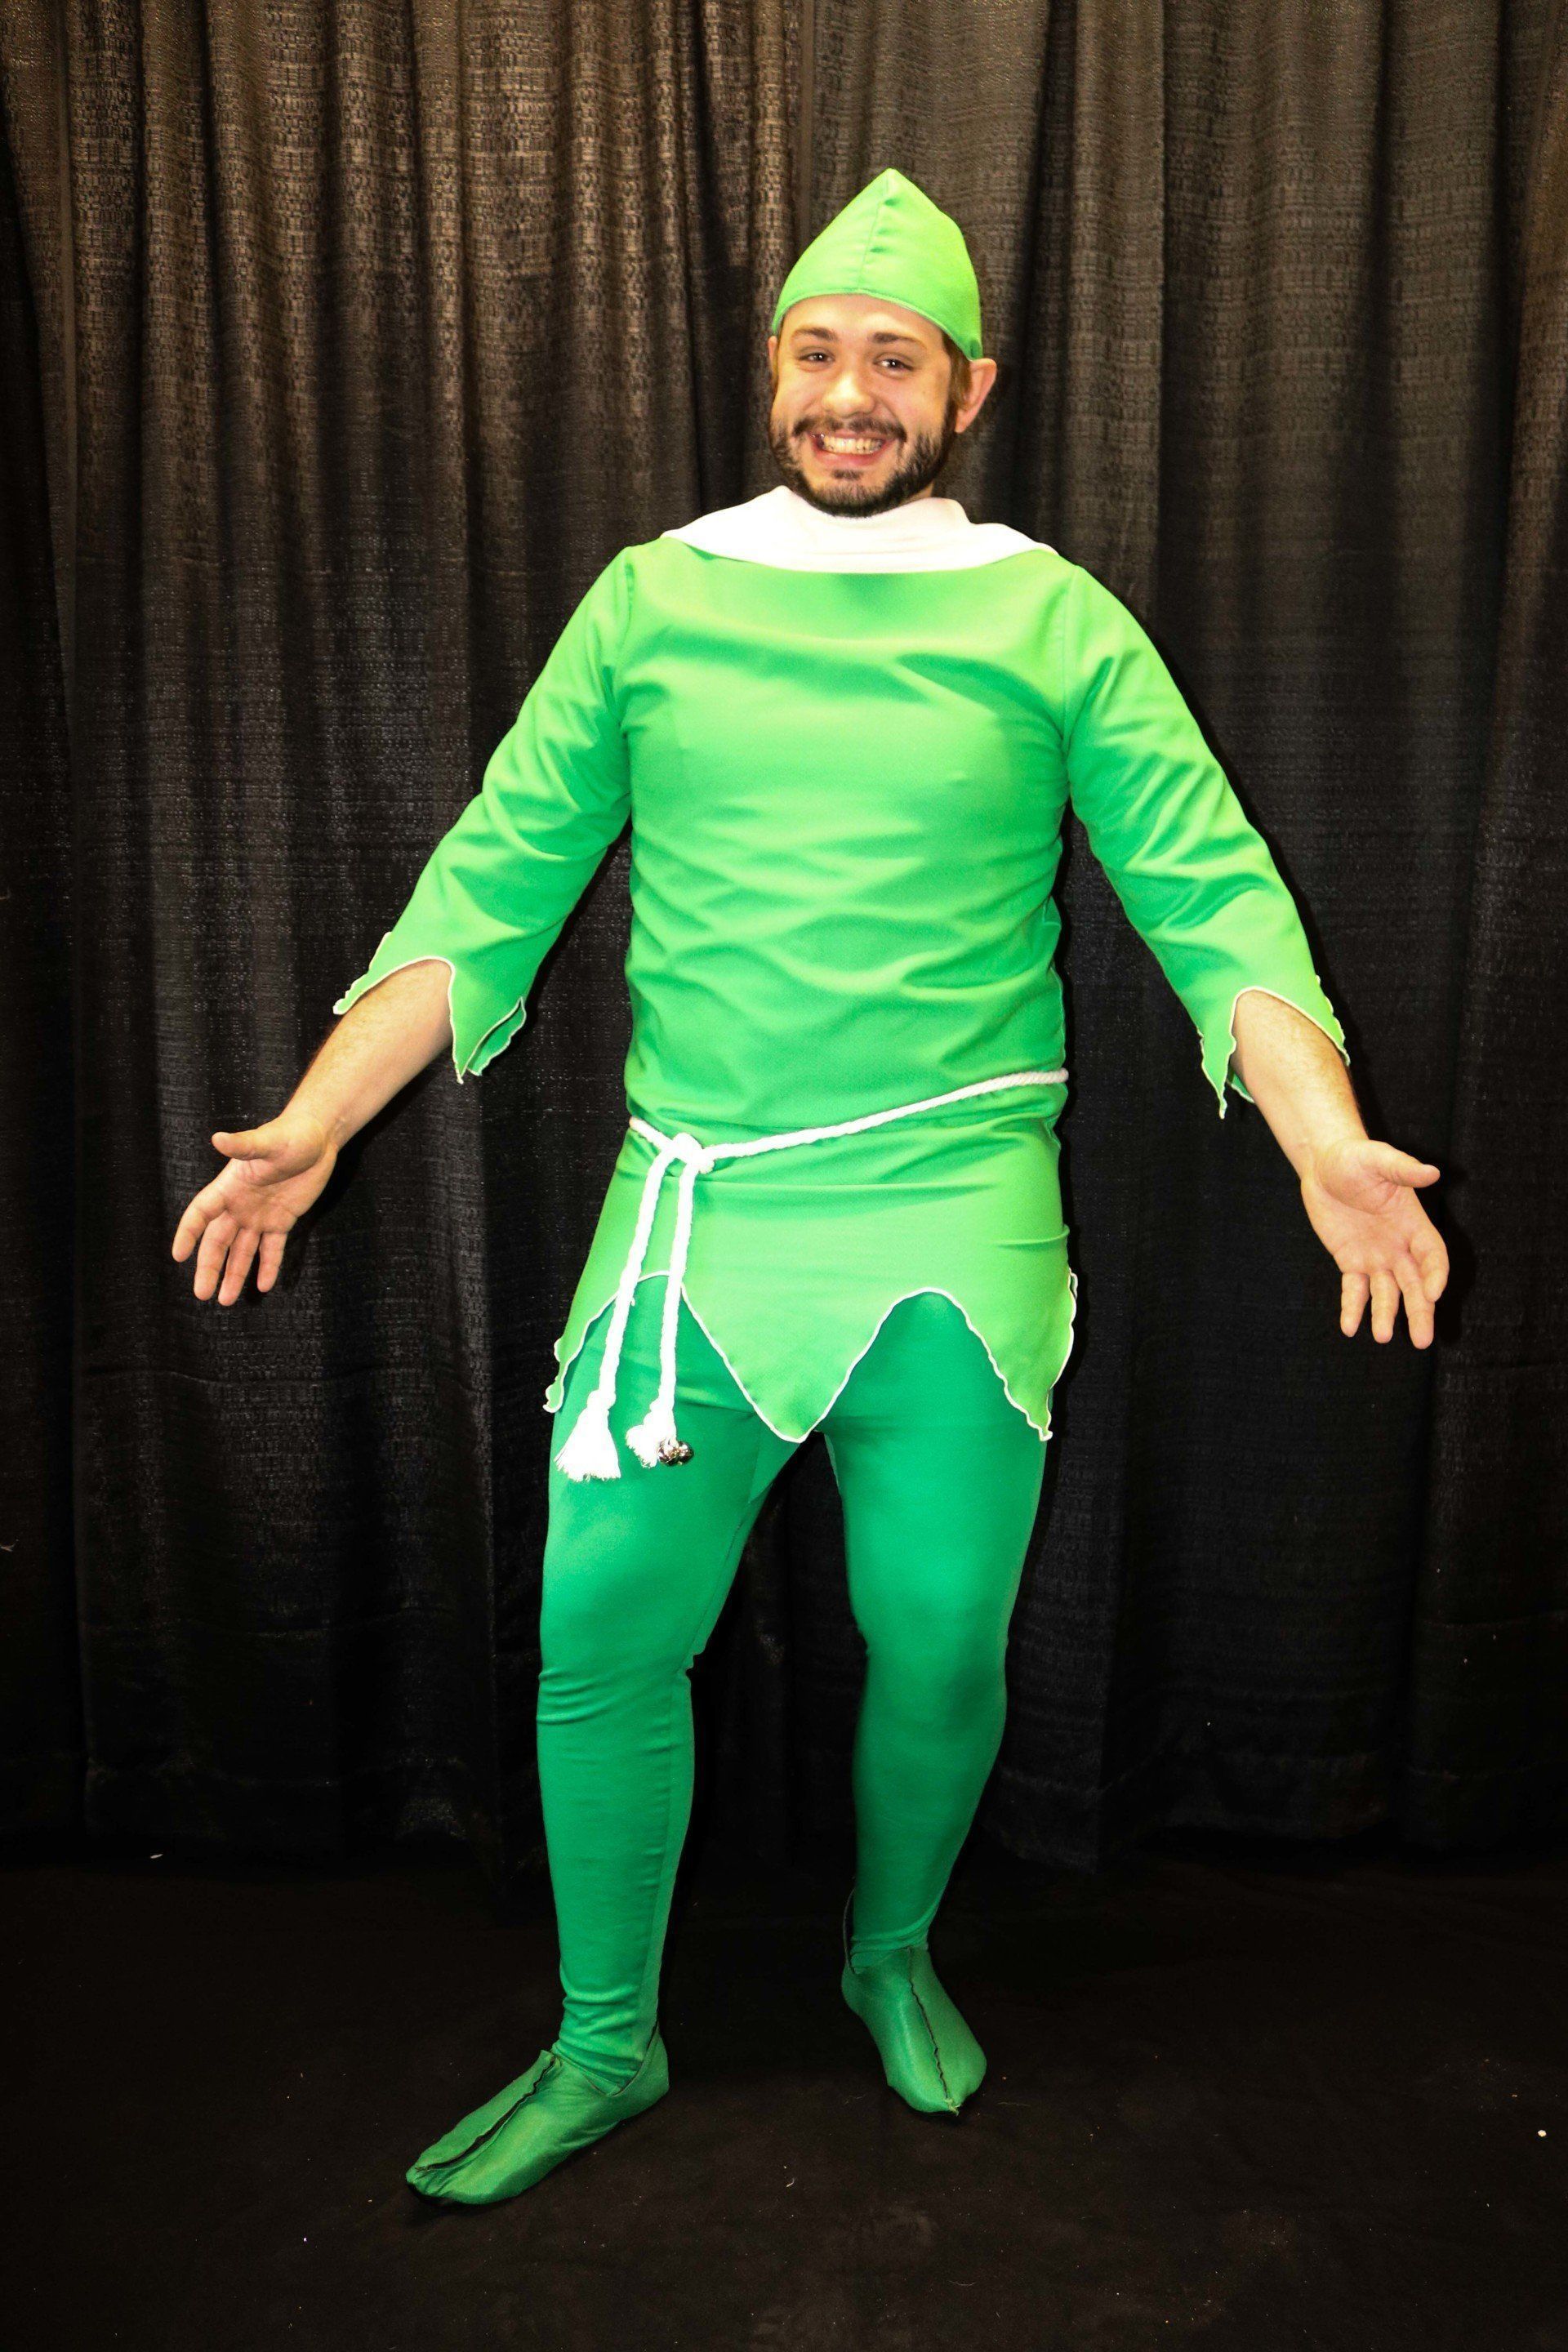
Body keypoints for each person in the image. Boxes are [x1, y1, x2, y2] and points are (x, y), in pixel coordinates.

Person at [172, 168, 1449, 2205]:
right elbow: (490, 885)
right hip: (700, 1214)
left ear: (968, 389)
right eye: (820, 354)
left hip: (955, 1217)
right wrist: (319, 1122)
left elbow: (1213, 895)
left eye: (897, 362)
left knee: (939, 1640)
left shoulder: (1050, 618)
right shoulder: (652, 600)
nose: (853, 394)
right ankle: (605, 2042)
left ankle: (890, 1953)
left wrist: (1322, 1139)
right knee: (599, 1628)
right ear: (776, 369)